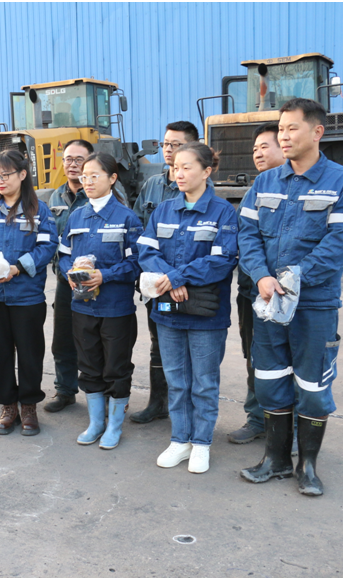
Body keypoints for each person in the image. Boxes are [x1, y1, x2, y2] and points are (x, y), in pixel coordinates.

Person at [238, 98, 343, 496]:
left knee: (312, 386)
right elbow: (247, 235)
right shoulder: (264, 183)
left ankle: (307, 466)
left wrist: (292, 279)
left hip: (314, 305)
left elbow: (339, 242)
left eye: (292, 128)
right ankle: (275, 460)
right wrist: (261, 276)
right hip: (269, 302)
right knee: (270, 380)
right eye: (280, 129)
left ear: (317, 131)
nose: (284, 136)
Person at [137, 142, 238, 474]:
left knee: (204, 382)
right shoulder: (163, 210)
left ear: (207, 171)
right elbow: (146, 251)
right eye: (174, 168)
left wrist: (177, 276)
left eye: (186, 167)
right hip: (168, 311)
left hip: (206, 314)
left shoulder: (223, 212)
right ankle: (180, 440)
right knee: (177, 379)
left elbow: (223, 260)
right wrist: (170, 279)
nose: (178, 174)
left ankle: (202, 443)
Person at [0, 149, 58, 436]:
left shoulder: (38, 210)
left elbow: (47, 246)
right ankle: (8, 406)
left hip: (27, 296)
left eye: (6, 175)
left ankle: (28, 406)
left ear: (22, 174)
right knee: (1, 353)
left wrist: (17, 268)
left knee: (30, 353)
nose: (0, 181)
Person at [57, 153, 143, 449]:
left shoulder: (127, 219)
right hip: (82, 306)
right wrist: (69, 272)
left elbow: (137, 263)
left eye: (95, 175)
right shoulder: (76, 216)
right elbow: (63, 254)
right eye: (85, 176)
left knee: (116, 366)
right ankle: (96, 422)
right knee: (89, 364)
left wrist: (104, 276)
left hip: (116, 308)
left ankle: (114, 425)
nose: (88, 181)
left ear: (113, 178)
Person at [129, 121, 200, 424]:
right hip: (158, 284)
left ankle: (190, 410)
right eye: (166, 144)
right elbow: (139, 234)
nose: (168, 150)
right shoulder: (152, 185)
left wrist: (179, 277)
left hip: (191, 286)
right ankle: (158, 403)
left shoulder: (201, 186)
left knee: (192, 346)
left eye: (176, 144)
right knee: (159, 343)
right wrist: (157, 275)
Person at [227, 122, 289, 445]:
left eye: (265, 146)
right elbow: (246, 238)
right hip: (253, 290)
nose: (258, 153)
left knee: (290, 361)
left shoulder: (299, 189)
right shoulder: (256, 191)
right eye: (255, 149)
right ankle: (257, 419)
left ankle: (289, 426)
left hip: (289, 293)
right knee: (255, 357)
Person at [44, 139, 94, 413]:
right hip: (65, 281)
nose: (72, 165)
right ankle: (65, 390)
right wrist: (66, 271)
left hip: (96, 282)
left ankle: (100, 394)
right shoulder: (55, 197)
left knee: (94, 339)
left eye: (79, 159)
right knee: (62, 340)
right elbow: (51, 240)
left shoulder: (101, 193)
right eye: (68, 159)